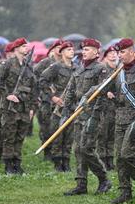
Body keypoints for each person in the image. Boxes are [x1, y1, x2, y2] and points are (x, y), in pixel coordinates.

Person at [62, 38, 111, 195]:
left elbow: (102, 90)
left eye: (88, 49)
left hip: (94, 115)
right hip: (79, 114)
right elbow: (70, 91)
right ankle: (81, 184)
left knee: (86, 148)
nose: (84, 51)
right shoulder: (79, 69)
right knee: (77, 149)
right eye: (83, 49)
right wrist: (64, 112)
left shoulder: (101, 69)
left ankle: (104, 179)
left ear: (97, 52)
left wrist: (93, 113)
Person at [107, 38, 135, 204]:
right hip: (120, 119)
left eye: (123, 52)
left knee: (128, 155)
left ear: (132, 52)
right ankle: (125, 191)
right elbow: (107, 88)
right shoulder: (119, 72)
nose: (120, 55)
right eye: (118, 52)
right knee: (119, 157)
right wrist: (108, 94)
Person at [0, 38, 37, 174]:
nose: (26, 48)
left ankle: (17, 163)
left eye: (26, 46)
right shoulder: (8, 64)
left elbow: (33, 88)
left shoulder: (28, 66)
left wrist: (31, 108)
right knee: (9, 137)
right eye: (23, 46)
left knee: (20, 137)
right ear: (16, 48)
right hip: (10, 107)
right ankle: (8, 165)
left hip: (23, 108)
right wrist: (6, 94)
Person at [39, 41, 76, 171]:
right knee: (57, 133)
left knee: (69, 135)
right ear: (62, 53)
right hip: (58, 106)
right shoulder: (56, 67)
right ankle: (57, 162)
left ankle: (66, 161)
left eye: (72, 49)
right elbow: (42, 80)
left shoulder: (76, 68)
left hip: (71, 106)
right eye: (68, 49)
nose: (71, 51)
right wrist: (52, 97)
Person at [34, 39, 64, 161]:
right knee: (46, 126)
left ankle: (57, 151)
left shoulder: (64, 63)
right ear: (53, 49)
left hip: (60, 99)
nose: (60, 50)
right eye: (58, 47)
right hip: (47, 99)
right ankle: (47, 151)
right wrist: (42, 91)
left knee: (58, 126)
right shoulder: (46, 62)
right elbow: (35, 74)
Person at [97, 46, 117, 171]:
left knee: (111, 135)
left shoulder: (119, 69)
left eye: (115, 53)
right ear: (105, 56)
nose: (113, 55)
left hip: (115, 106)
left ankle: (110, 159)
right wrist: (106, 93)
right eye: (110, 53)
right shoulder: (103, 69)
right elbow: (98, 86)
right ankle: (102, 160)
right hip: (104, 107)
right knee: (102, 135)